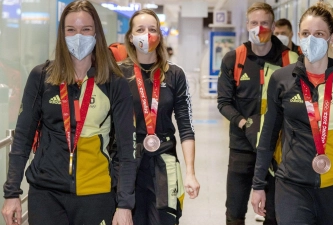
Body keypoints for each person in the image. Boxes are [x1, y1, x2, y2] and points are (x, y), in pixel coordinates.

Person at [1, 1, 137, 225]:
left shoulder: (114, 82)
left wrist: (124, 204)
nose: (78, 36)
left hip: (97, 193)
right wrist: (11, 192)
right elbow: (23, 138)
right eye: (71, 30)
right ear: (62, 34)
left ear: (96, 33)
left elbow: (126, 150)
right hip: (46, 195)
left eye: (86, 29)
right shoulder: (42, 77)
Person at [251, 2, 333, 225]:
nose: (311, 39)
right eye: (306, 33)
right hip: (291, 185)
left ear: (331, 38)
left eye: (319, 33)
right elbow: (268, 135)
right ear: (299, 36)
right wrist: (258, 185)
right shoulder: (282, 80)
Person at [217, 2, 298, 225]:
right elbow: (223, 102)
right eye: (254, 23)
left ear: (273, 27)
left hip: (278, 149)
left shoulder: (290, 60)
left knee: (274, 213)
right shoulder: (234, 59)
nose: (259, 28)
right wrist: (244, 123)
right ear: (247, 25)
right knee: (234, 211)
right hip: (242, 147)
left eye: (264, 23)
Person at [118, 9, 200, 225]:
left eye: (152, 29)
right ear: (130, 37)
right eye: (140, 29)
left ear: (160, 36)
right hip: (128, 163)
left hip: (165, 161)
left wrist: (190, 172)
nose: (147, 34)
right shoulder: (118, 74)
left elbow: (186, 125)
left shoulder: (174, 74)